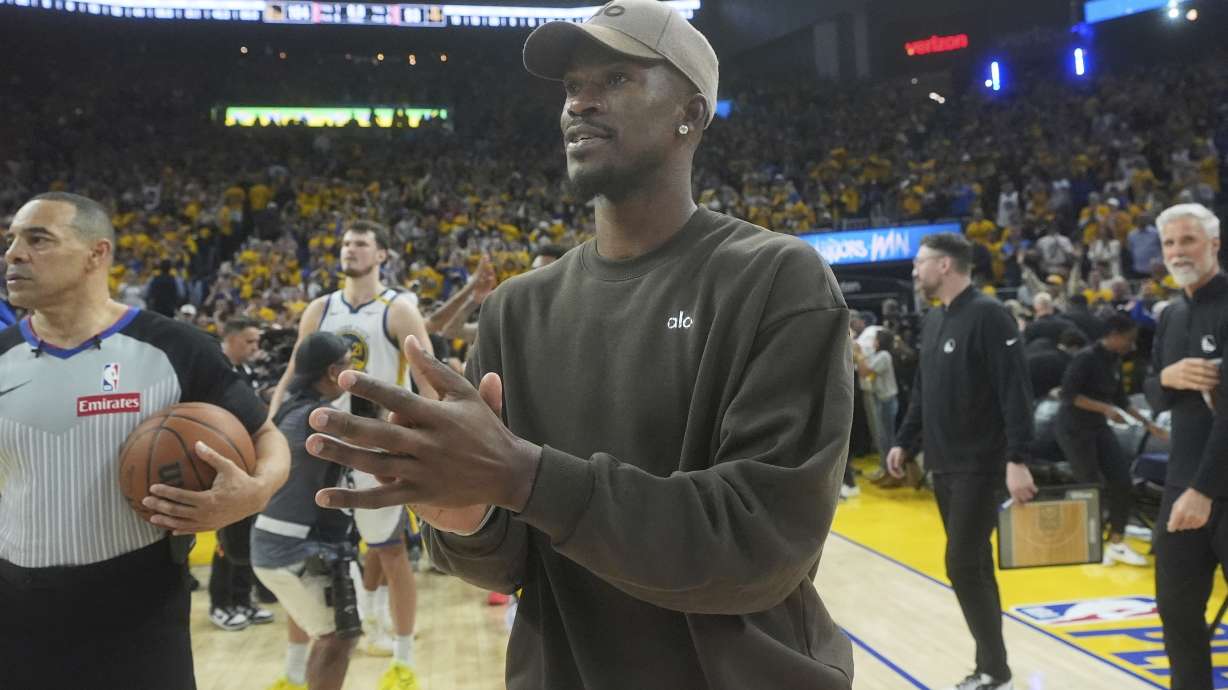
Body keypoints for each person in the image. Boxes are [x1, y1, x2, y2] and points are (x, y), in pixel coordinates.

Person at [303, 2, 856, 687]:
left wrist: (523, 476)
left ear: (693, 111)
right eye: (572, 86)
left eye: (617, 79)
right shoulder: (515, 309)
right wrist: (465, 517)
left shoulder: (777, 278)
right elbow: (510, 562)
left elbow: (759, 545)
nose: (580, 103)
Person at [0, 192, 290, 690]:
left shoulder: (177, 347)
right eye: (11, 242)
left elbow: (266, 436)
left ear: (97, 254)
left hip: (139, 608)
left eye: (38, 239)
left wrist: (255, 491)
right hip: (16, 612)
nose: (13, 255)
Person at [269, 219, 434, 688]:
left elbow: (426, 381)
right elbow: (291, 375)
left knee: (390, 551)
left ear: (381, 255)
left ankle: (403, 662)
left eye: (361, 243)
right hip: (319, 447)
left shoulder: (397, 309)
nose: (350, 250)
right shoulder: (320, 309)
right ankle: (293, 671)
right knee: (305, 558)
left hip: (376, 447)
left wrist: (430, 442)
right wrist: (274, 427)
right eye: (345, 243)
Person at [887, 232, 1037, 690]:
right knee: (971, 564)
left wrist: (1018, 458)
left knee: (963, 562)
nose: (915, 271)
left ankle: (994, 668)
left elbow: (1016, 390)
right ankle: (993, 666)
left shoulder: (990, 315)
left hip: (982, 462)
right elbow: (924, 395)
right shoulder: (935, 321)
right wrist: (904, 441)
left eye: (920, 263)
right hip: (943, 464)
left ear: (946, 266)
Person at [1142, 203, 1227, 690]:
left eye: (1188, 240)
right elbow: (1152, 394)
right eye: (1170, 243)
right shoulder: (1171, 314)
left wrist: (1204, 489)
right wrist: (1170, 378)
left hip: (1213, 487)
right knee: (1177, 617)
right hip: (1183, 486)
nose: (1177, 251)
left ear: (1214, 244)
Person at [253, 332, 359, 690]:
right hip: (291, 546)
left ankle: (297, 676)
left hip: (278, 540)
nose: (352, 369)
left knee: (328, 632)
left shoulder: (291, 408)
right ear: (333, 372)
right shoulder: (318, 417)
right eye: (348, 362)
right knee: (337, 637)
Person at [1055, 313, 1166, 566]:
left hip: (1097, 427)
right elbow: (1069, 395)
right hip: (1073, 428)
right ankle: (1085, 541)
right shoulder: (1085, 358)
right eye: (1129, 339)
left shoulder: (1114, 360)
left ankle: (1117, 541)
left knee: (1121, 479)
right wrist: (1105, 410)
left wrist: (1149, 424)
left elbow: (1122, 400)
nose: (1133, 345)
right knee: (1089, 484)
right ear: (1113, 336)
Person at [209, 316, 277, 630]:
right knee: (226, 540)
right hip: (220, 463)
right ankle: (220, 604)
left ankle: (243, 600)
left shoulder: (245, 373)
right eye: (250, 341)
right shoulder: (212, 367)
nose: (255, 347)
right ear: (232, 339)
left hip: (246, 462)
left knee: (244, 540)